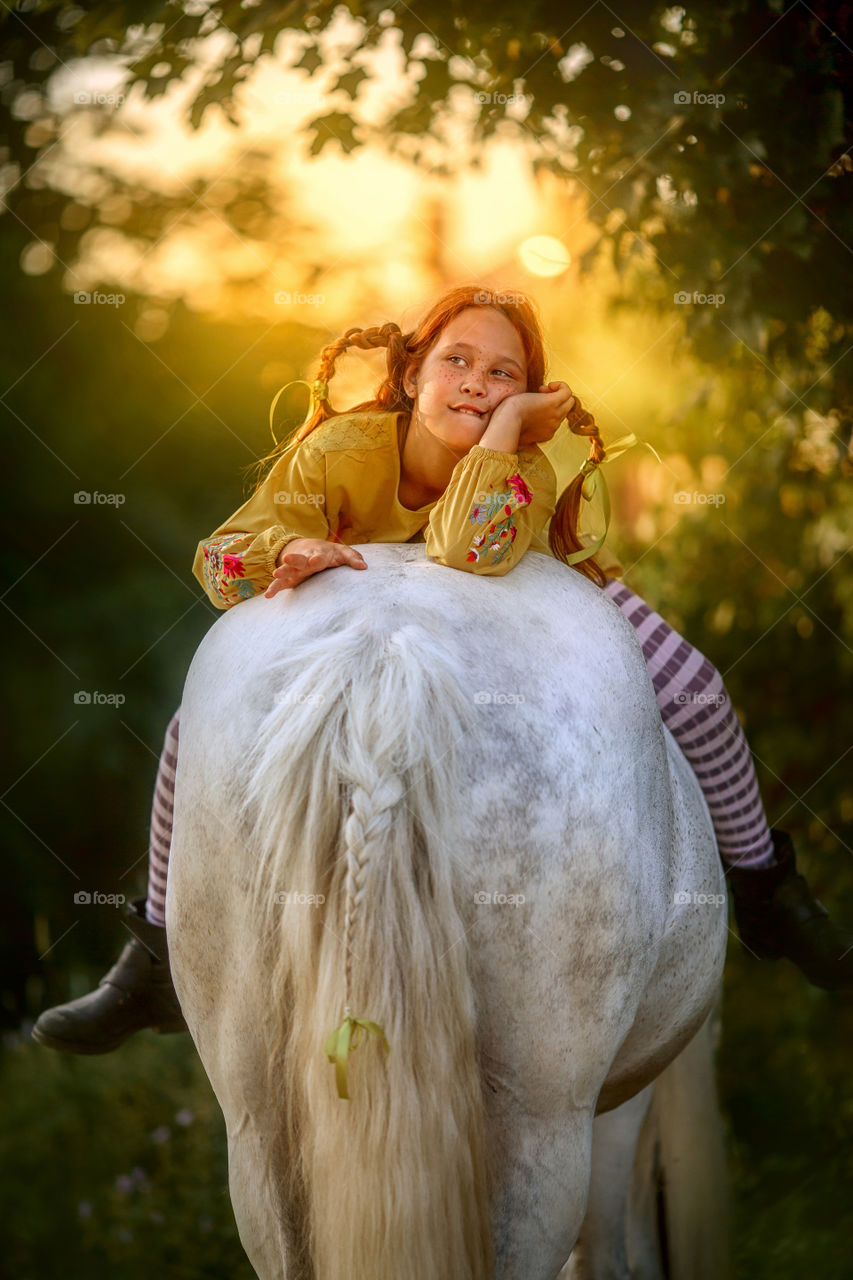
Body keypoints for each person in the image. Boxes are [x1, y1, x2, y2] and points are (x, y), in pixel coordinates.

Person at [32, 285, 853, 1055]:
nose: (476, 384)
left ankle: (765, 891)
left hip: (539, 589)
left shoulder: (524, 467)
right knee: (191, 727)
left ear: (525, 397)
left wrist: (504, 436)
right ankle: (156, 957)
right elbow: (219, 559)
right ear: (411, 371)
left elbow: (469, 551)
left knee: (699, 692)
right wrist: (287, 549)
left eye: (505, 375)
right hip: (369, 617)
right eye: (456, 360)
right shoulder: (339, 449)